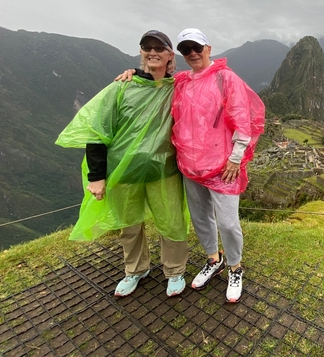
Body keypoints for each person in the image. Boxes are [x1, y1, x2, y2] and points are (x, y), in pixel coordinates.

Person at [56, 30, 189, 298]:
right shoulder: (122, 87)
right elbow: (97, 132)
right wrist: (97, 176)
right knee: (128, 225)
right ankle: (135, 269)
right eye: (146, 47)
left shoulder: (178, 88)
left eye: (158, 48)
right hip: (123, 171)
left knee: (172, 222)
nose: (152, 52)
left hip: (164, 171)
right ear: (141, 52)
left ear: (169, 55)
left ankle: (175, 271)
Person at [172, 28, 265, 303]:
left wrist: (237, 157)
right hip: (190, 164)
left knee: (227, 222)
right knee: (201, 218)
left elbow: (242, 118)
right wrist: (130, 75)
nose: (192, 54)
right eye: (185, 50)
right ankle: (214, 259)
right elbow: (153, 82)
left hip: (222, 166)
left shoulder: (226, 78)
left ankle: (235, 267)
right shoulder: (181, 82)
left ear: (208, 48)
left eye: (196, 48)